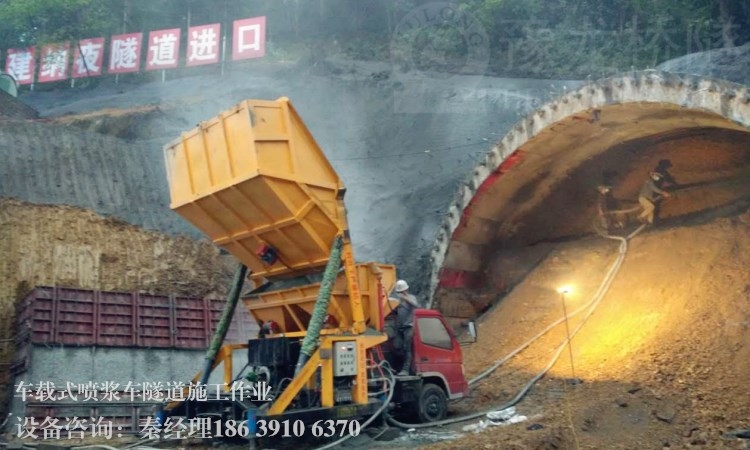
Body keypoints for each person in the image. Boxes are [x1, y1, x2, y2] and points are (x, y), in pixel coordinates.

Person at [391, 279, 419, 376]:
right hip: (399, 328)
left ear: (405, 290)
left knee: (407, 348)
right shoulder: (397, 301)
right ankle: (396, 368)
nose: (399, 294)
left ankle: (406, 370)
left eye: (401, 292)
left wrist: (405, 298)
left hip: (409, 327)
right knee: (396, 346)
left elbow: (416, 305)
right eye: (398, 292)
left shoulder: (412, 298)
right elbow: (394, 312)